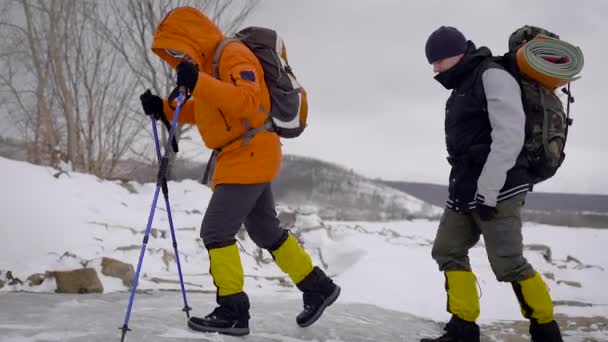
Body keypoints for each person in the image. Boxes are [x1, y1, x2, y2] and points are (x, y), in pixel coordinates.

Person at [139, 6, 340, 336]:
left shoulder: (233, 54)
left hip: (249, 152)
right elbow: (207, 111)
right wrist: (163, 107)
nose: (175, 56)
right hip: (241, 155)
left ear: (192, 38)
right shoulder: (207, 67)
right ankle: (317, 286)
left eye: (178, 48)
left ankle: (233, 310)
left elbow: (247, 102)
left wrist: (199, 82)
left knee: (216, 231)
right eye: (170, 53)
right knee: (264, 231)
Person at [420, 26, 563, 342]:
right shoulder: (461, 86)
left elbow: (509, 137)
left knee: (508, 263)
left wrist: (488, 190)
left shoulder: (492, 76)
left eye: (438, 61)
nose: (434, 69)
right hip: (465, 188)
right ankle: (463, 327)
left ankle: (546, 330)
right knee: (448, 249)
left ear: (455, 55)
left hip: (498, 188)